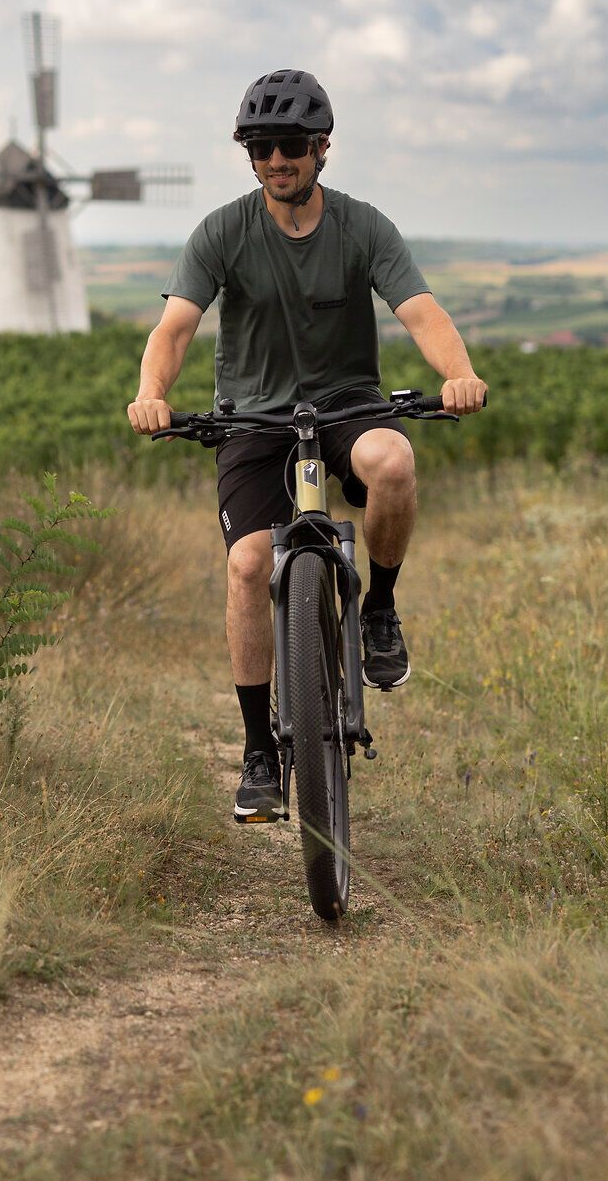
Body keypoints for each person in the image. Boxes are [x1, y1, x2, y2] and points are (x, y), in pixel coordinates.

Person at [126, 69, 486, 823]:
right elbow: (177, 325)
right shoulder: (223, 231)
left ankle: (379, 610)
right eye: (260, 147)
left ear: (323, 149)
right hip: (253, 419)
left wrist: (458, 374)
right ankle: (260, 749)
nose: (274, 159)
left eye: (290, 144)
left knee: (394, 462)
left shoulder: (362, 226)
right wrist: (153, 392)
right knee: (249, 562)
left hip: (348, 404)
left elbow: (420, 310)